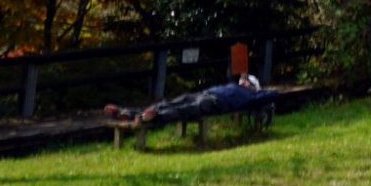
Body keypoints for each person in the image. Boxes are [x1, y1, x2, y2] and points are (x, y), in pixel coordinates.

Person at [106, 69, 266, 127]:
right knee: (170, 103)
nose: (243, 80)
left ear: (252, 86)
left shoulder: (250, 96)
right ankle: (127, 112)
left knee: (182, 110)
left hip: (213, 103)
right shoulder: (233, 85)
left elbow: (270, 95)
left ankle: (152, 117)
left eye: (247, 81)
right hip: (204, 94)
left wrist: (258, 92)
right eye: (243, 79)